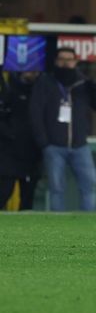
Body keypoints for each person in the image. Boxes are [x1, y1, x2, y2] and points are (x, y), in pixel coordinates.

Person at [30, 47, 96, 211]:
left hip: (80, 145)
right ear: (56, 62)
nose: (65, 63)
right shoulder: (45, 82)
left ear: (75, 62)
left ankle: (88, 221)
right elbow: (35, 113)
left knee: (89, 185)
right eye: (62, 59)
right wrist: (44, 142)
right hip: (54, 146)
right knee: (57, 188)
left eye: (69, 60)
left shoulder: (83, 84)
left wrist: (95, 88)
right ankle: (58, 222)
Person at [0, 71, 42, 210]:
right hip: (9, 151)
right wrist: (9, 133)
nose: (31, 72)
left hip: (32, 151)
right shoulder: (8, 90)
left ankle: (25, 221)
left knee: (28, 196)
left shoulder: (42, 90)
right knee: (5, 190)